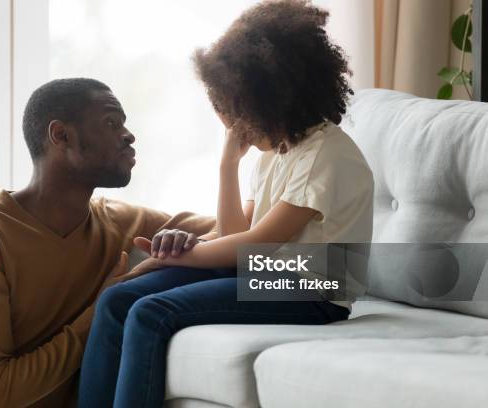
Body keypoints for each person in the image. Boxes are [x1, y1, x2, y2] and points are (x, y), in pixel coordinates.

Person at [77, 1, 374, 407]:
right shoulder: (279, 153)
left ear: (268, 101)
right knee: (116, 302)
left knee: (151, 313)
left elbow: (259, 246)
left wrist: (181, 257)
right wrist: (228, 165)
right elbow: (237, 236)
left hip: (313, 289)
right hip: (268, 276)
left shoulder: (326, 155)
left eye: (234, 112)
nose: (232, 125)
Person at [0, 78, 215, 408]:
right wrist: (104, 306)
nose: (128, 135)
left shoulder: (123, 222)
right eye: (112, 123)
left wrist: (194, 243)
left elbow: (245, 237)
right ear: (61, 135)